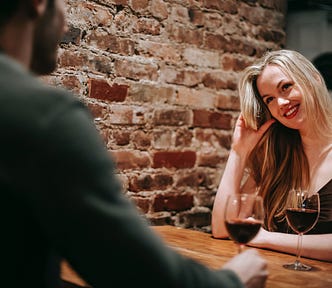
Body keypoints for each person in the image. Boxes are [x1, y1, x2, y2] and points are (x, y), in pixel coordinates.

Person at [0, 0, 269, 287]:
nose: (66, 26)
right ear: (39, 4)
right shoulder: (43, 116)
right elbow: (134, 269)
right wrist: (234, 280)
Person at [212, 49, 332, 262]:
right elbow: (222, 228)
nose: (281, 104)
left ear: (314, 78)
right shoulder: (277, 157)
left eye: (286, 87)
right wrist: (239, 151)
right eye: (269, 99)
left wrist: (264, 238)